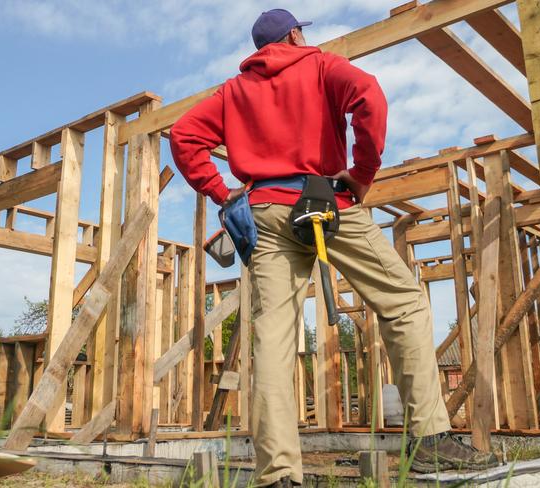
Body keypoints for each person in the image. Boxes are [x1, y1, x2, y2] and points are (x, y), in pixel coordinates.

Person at [170, 9, 498, 487]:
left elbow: (183, 136)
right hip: (324, 202)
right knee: (403, 301)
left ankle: (279, 475)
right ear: (295, 34)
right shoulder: (320, 64)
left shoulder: (233, 92)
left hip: (264, 211)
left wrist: (222, 193)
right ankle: (429, 441)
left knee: (274, 338)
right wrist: (362, 173)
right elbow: (370, 96)